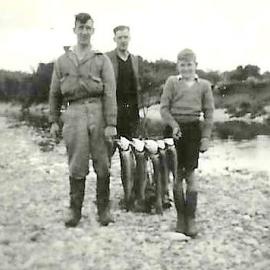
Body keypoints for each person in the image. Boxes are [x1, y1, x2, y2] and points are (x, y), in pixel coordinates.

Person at [49, 13, 117, 227]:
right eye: (81, 28)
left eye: (88, 28)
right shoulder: (62, 60)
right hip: (74, 112)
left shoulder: (101, 59)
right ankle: (74, 210)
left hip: (97, 111)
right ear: (75, 30)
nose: (85, 32)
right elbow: (54, 93)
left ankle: (103, 209)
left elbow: (110, 93)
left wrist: (111, 123)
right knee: (76, 163)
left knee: (103, 162)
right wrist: (53, 120)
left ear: (93, 31)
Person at [160, 48, 215, 237]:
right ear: (178, 66)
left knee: (190, 174)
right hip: (173, 131)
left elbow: (208, 114)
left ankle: (190, 218)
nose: (186, 68)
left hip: (193, 131)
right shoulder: (171, 82)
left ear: (196, 65)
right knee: (176, 175)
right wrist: (174, 125)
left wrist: (206, 137)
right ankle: (180, 217)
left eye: (189, 64)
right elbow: (164, 109)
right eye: (182, 65)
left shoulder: (205, 85)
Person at [106, 25, 141, 139]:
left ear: (129, 38)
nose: (123, 41)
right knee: (110, 147)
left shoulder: (134, 59)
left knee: (129, 149)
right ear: (114, 39)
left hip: (132, 111)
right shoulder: (107, 58)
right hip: (115, 110)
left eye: (125, 37)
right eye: (120, 37)